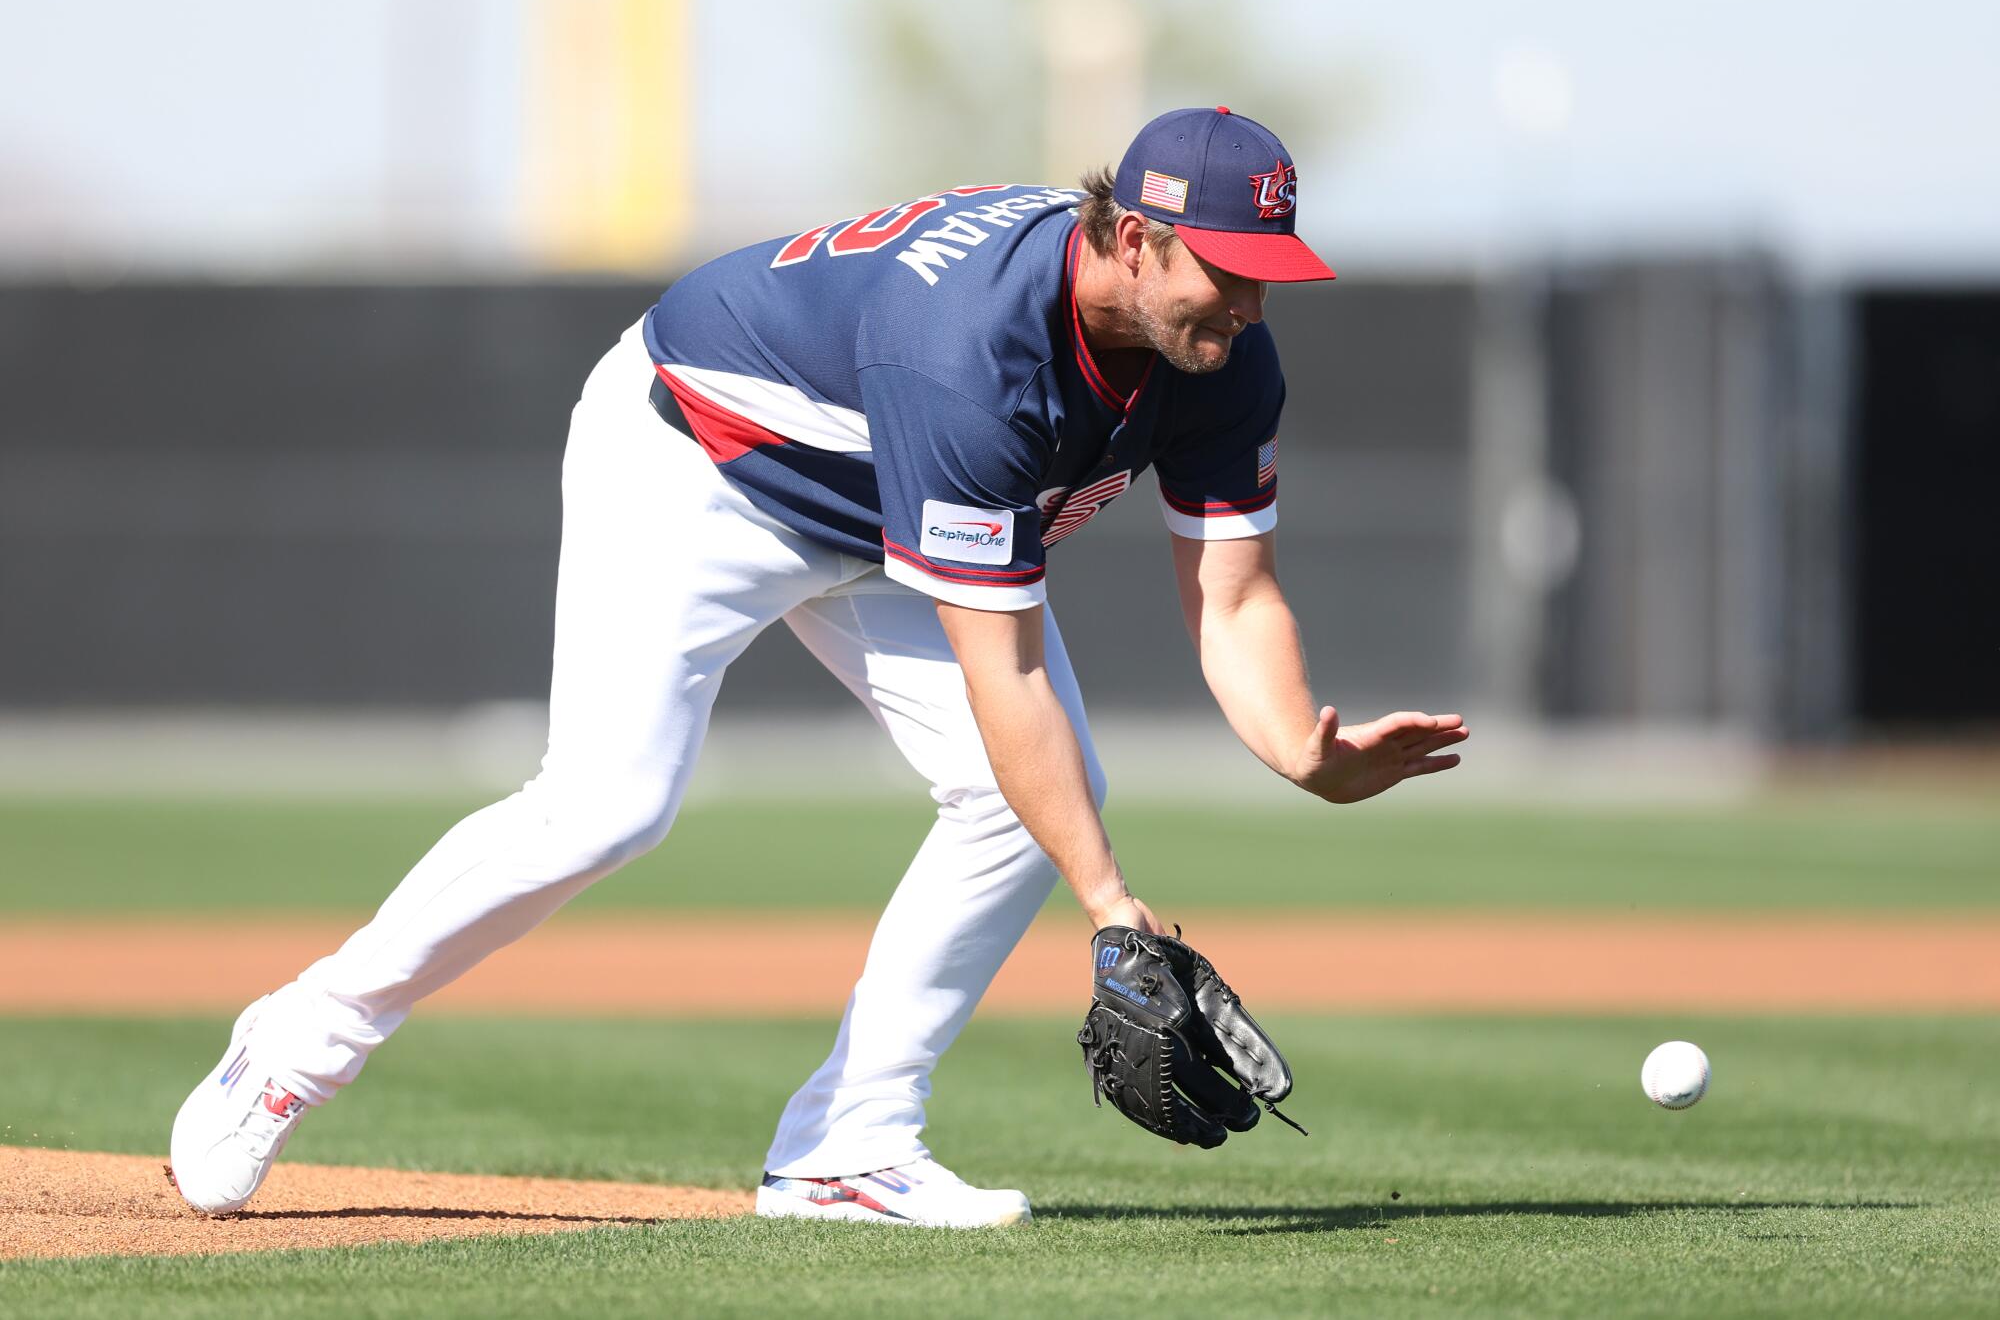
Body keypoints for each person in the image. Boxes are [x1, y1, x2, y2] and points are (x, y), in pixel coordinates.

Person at [169, 107, 1468, 1229]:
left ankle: (846, 1146)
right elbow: (999, 670)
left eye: (1267, 274)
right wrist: (1117, 908)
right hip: (700, 458)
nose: (1247, 305)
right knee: (609, 805)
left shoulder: (1220, 360)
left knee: (1021, 806)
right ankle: (295, 1043)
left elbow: (1233, 592)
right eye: (1225, 272)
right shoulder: (975, 353)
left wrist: (1302, 747)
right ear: (1132, 236)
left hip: (873, 504)